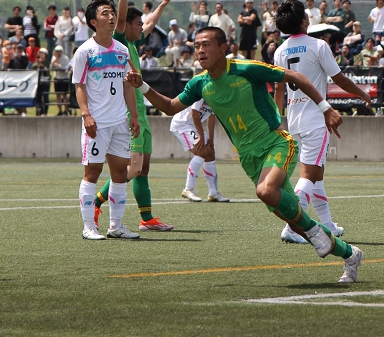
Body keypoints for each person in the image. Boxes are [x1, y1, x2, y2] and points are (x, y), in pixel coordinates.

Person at [125, 26, 364, 283]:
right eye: (196, 45)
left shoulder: (246, 68)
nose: (200, 50)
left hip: (276, 143)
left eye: (206, 44)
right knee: (294, 221)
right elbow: (171, 107)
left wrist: (326, 108)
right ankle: (351, 255)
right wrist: (143, 85)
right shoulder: (200, 83)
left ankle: (317, 231)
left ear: (223, 48)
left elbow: (296, 76)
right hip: (249, 158)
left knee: (265, 192)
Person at [273, 0, 371, 245]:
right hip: (316, 119)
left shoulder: (280, 50)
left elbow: (279, 91)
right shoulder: (318, 45)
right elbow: (339, 79)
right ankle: (292, 227)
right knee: (309, 174)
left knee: (317, 175)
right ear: (305, 20)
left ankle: (327, 224)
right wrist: (362, 93)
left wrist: (278, 120)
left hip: (294, 120)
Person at [93, 0, 174, 232]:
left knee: (143, 168)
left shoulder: (134, 45)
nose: (142, 28)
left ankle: (147, 218)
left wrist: (162, 5)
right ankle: (97, 201)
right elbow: (121, 16)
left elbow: (150, 22)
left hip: (141, 111)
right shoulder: (121, 40)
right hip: (130, 113)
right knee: (133, 167)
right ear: (125, 25)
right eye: (137, 23)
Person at [72, 0, 140, 240]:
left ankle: (116, 226)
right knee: (92, 172)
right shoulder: (84, 52)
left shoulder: (122, 50)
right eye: (105, 13)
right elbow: (79, 85)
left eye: (112, 13)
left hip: (120, 122)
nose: (111, 16)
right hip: (96, 124)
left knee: (120, 173)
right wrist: (86, 115)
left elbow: (128, 86)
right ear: (93, 21)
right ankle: (88, 226)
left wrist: (133, 116)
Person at [170, 100, 229, 202]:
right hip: (181, 124)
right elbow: (194, 112)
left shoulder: (218, 94)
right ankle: (188, 189)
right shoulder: (203, 91)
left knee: (210, 153)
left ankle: (213, 193)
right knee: (201, 151)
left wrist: (211, 139)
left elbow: (212, 116)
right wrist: (201, 135)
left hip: (192, 125)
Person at [50, 46, 69, 115]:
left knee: (64, 95)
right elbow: (51, 68)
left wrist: (58, 66)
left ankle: (66, 111)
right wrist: (54, 63)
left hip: (64, 78)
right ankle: (60, 111)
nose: (58, 53)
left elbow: (66, 70)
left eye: (59, 51)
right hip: (57, 78)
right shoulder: (53, 58)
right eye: (57, 51)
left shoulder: (65, 58)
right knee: (58, 95)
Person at [33, 48, 51, 116]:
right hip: (38, 83)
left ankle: (45, 112)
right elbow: (32, 70)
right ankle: (40, 111)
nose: (40, 55)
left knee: (45, 97)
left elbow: (47, 72)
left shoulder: (47, 62)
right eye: (39, 54)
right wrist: (36, 65)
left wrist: (42, 66)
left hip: (45, 83)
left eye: (42, 53)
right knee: (38, 97)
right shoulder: (36, 63)